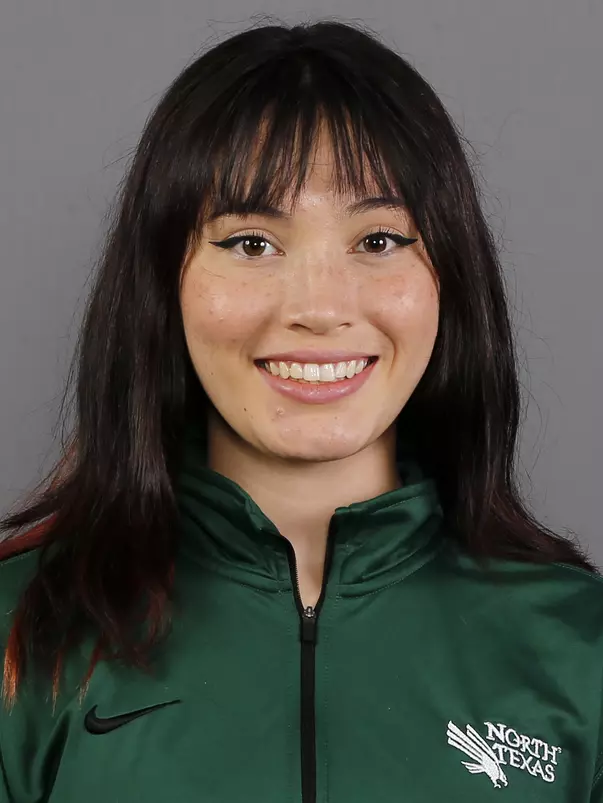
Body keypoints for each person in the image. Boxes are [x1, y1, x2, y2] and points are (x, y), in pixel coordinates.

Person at [0, 17, 601, 803]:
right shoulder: (24, 635)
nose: (319, 307)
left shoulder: (576, 646)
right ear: (162, 281)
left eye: (379, 239)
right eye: (252, 242)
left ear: (448, 278)